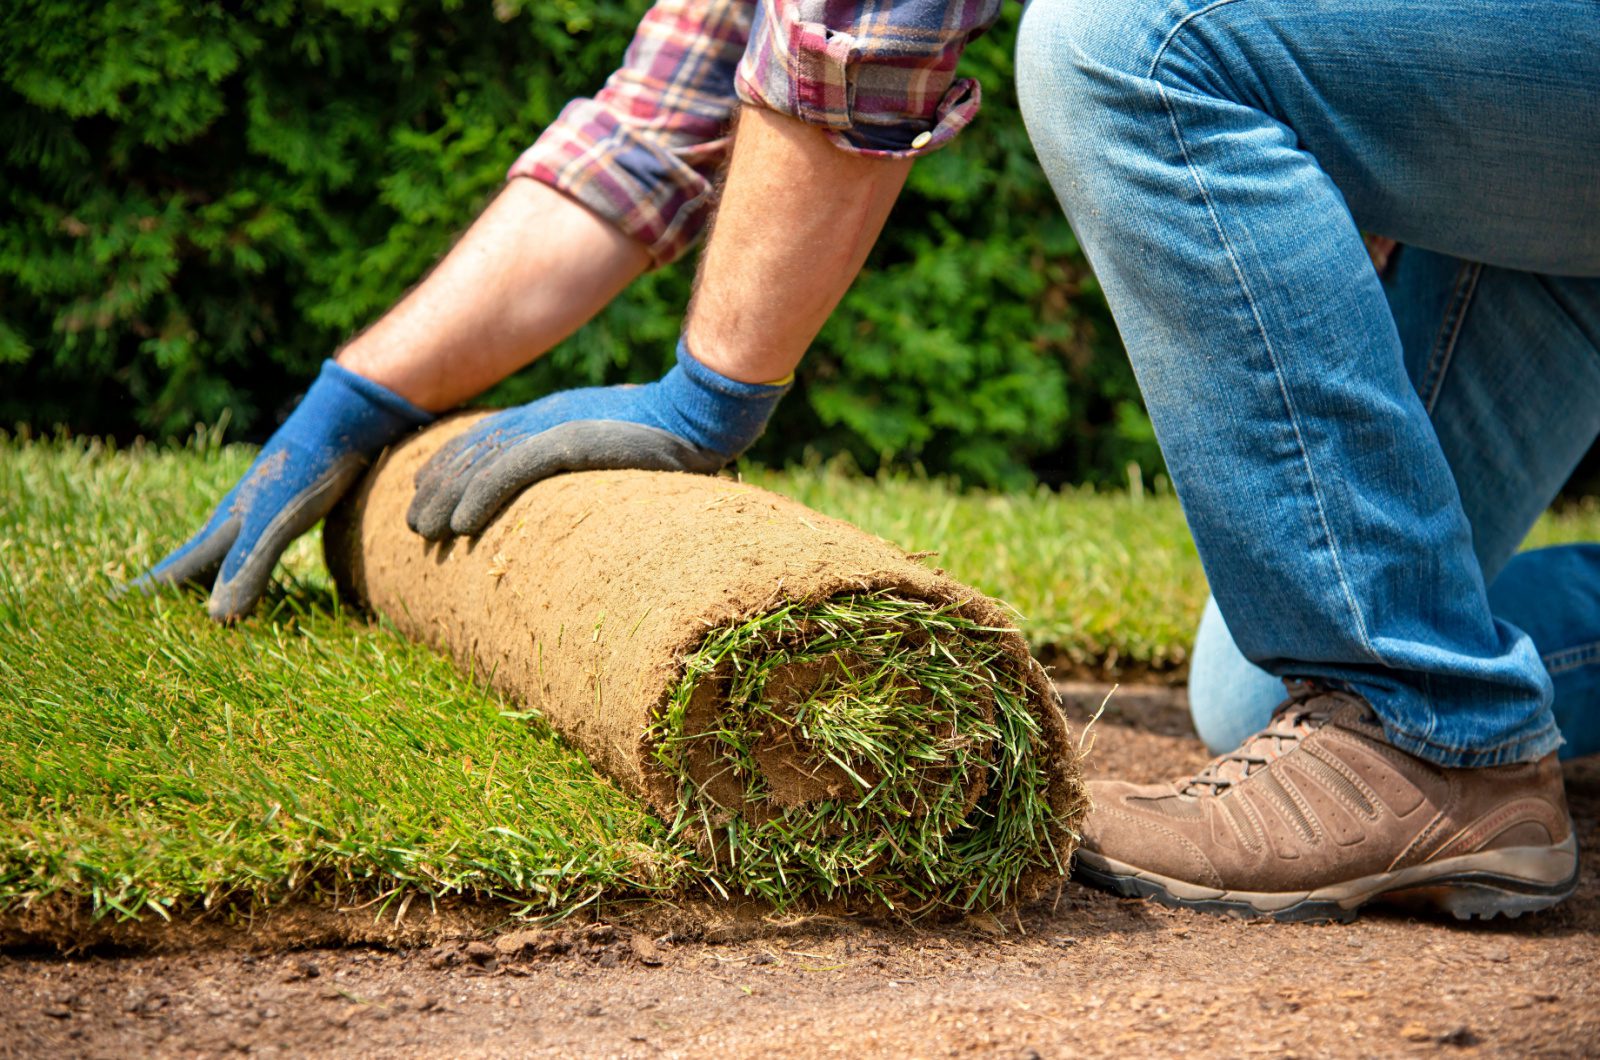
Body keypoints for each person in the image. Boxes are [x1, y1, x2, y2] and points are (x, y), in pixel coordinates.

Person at [135, 0, 1597, 923]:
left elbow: (864, 30)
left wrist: (712, 398)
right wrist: (349, 401)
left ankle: (1432, 744)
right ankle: (1418, 709)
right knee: (1259, 690)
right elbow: (663, 117)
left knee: (1126, 46)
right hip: (1527, 177)